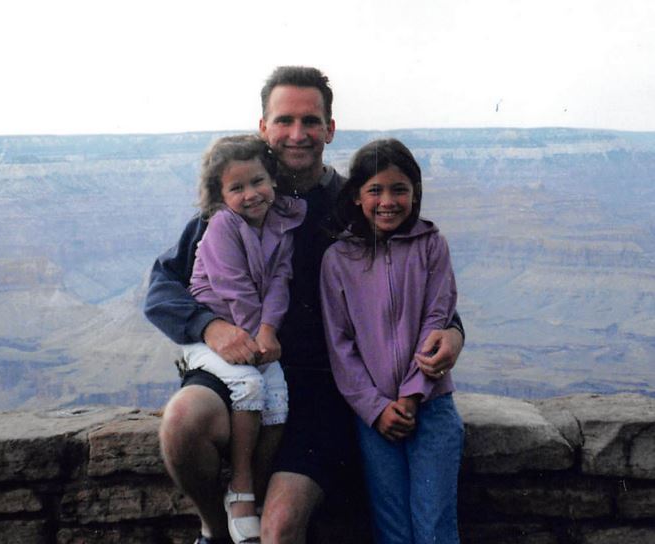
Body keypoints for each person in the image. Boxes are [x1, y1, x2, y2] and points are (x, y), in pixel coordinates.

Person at [144, 66, 465, 544]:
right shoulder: (234, 206)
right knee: (182, 421)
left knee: (280, 529)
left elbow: (408, 280)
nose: (298, 134)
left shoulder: (348, 206)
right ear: (263, 128)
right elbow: (162, 289)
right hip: (237, 375)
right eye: (284, 120)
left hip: (319, 394)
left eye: (311, 121)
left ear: (330, 129)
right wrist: (211, 327)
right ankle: (215, 528)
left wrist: (453, 330)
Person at [320, 139, 465, 543]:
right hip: (374, 418)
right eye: (375, 190)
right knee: (392, 530)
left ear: (415, 192)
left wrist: (412, 395)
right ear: (356, 196)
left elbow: (438, 319)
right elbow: (340, 344)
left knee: (435, 527)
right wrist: (375, 408)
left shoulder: (431, 245)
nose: (388, 201)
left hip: (431, 409)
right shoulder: (338, 260)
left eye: (399, 189)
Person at [182, 134, 305, 543]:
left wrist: (269, 331)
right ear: (220, 196)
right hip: (216, 333)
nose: (251, 195)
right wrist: (257, 343)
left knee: (279, 393)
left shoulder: (281, 222)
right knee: (251, 384)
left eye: (258, 182)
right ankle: (240, 487)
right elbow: (235, 290)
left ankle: (257, 480)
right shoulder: (221, 228)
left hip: (253, 331)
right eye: (237, 188)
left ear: (273, 179)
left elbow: (279, 283)